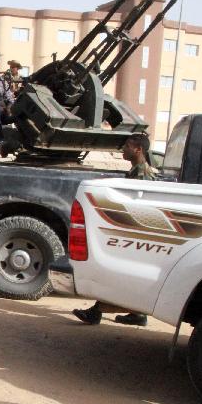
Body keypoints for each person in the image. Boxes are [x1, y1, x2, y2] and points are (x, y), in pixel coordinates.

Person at [73, 133, 157, 327]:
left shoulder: (142, 174)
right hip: (135, 233)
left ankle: (96, 312)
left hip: (135, 234)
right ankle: (137, 314)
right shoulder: (138, 171)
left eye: (128, 146)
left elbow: (141, 209)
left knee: (117, 276)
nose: (124, 149)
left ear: (138, 149)